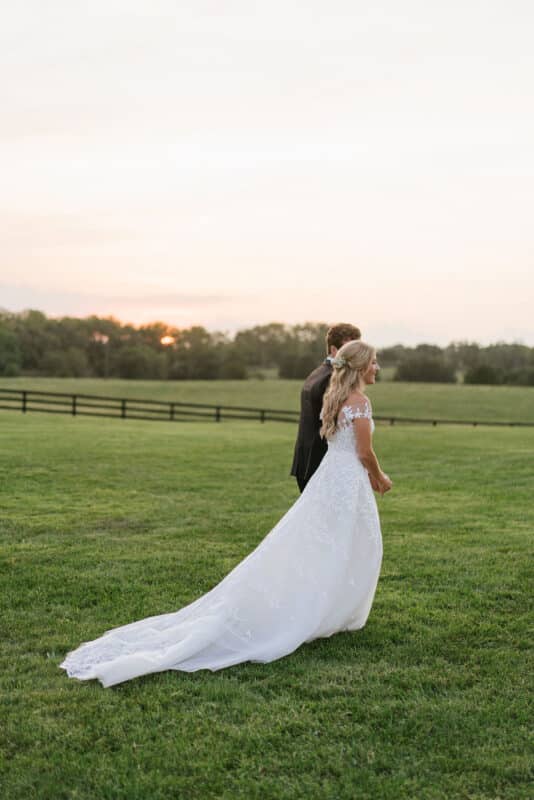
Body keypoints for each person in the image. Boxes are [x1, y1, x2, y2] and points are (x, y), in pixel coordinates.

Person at [60, 340, 392, 688]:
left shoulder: (338, 398)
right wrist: (379, 477)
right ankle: (325, 611)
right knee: (347, 545)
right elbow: (366, 453)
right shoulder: (360, 403)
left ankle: (329, 608)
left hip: (331, 481)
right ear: (359, 366)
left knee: (327, 545)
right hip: (345, 481)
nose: (377, 367)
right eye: (373, 362)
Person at [290, 323, 362, 492]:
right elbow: (337, 425)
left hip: (305, 460)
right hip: (321, 462)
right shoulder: (334, 378)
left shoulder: (317, 372)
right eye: (349, 347)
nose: (356, 353)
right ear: (334, 350)